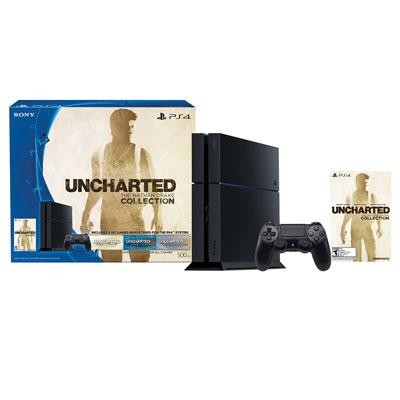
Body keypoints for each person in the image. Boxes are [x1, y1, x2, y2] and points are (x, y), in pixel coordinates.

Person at [80, 108, 162, 262]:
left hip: (134, 221)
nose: (130, 130)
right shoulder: (99, 155)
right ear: (114, 127)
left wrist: (158, 214)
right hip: (108, 222)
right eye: (125, 126)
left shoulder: (141, 153)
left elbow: (152, 186)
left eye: (132, 126)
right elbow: (96, 188)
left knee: (140, 263)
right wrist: (86, 214)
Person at [340, 173, 382, 261]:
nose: (365, 184)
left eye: (366, 182)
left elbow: (377, 212)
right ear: (356, 182)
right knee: (356, 258)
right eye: (362, 182)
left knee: (372, 256)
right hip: (355, 230)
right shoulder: (350, 197)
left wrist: (380, 226)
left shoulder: (371, 196)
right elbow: (348, 214)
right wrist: (342, 228)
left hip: (367, 229)